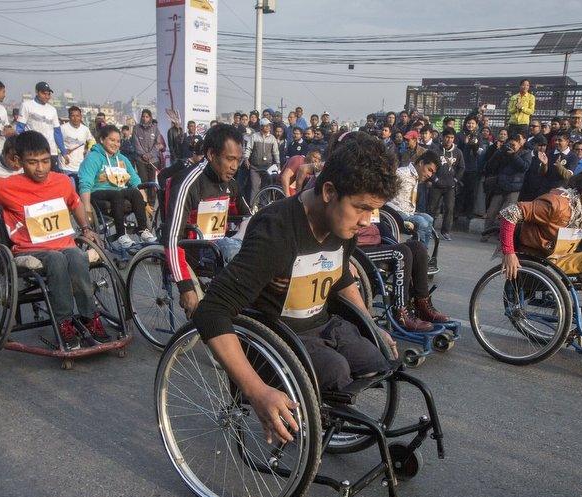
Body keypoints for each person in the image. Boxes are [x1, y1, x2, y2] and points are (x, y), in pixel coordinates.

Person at [190, 135, 398, 443]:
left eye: (373, 211)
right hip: (280, 339)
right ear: (329, 191)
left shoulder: (343, 224)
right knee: (336, 371)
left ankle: (322, 411)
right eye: (362, 208)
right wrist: (256, 390)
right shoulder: (277, 232)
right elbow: (211, 311)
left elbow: (339, 276)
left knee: (380, 359)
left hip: (324, 325)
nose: (367, 222)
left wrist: (371, 324)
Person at [0, 131, 107, 350]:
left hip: (64, 244)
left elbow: (75, 202)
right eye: (32, 163)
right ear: (19, 161)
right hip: (30, 250)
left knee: (77, 256)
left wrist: (86, 228)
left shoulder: (62, 181)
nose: (40, 168)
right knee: (56, 260)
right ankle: (64, 322)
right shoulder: (5, 185)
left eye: (45, 161)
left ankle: (89, 317)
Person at [498, 171, 582, 349]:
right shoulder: (557, 204)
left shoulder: (581, 211)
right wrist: (509, 253)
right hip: (536, 261)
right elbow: (510, 212)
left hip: (555, 258)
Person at [164, 124, 252, 315]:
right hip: (195, 250)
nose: (235, 167)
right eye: (230, 159)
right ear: (211, 154)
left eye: (238, 160)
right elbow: (172, 239)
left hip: (221, 245)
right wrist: (185, 287)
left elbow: (245, 215)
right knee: (233, 251)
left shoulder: (232, 183)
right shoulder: (188, 183)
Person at [356, 208, 449, 333]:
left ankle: (422, 305)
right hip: (357, 250)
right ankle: (400, 312)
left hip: (376, 246)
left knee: (417, 247)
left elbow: (379, 225)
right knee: (401, 253)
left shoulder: (369, 199)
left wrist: (397, 245)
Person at [78, 124, 156, 247]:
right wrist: (86, 209)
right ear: (102, 140)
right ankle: (121, 235)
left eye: (118, 141)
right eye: (112, 140)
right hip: (98, 194)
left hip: (118, 193)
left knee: (134, 192)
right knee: (117, 194)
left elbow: (136, 181)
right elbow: (85, 184)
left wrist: (145, 204)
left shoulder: (122, 159)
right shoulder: (93, 158)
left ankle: (142, 230)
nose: (116, 144)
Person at [481, 132, 532, 241]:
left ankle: (503, 237)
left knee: (507, 215)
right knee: (491, 212)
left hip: (514, 188)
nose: (511, 147)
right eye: (510, 145)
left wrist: (513, 155)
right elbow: (490, 166)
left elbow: (524, 167)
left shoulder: (525, 153)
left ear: (520, 144)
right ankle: (486, 234)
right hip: (500, 186)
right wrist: (498, 153)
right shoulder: (502, 152)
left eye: (514, 145)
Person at [388, 149, 440, 252]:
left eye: (432, 172)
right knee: (422, 222)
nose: (430, 175)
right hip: (394, 212)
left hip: (407, 213)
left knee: (429, 219)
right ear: (421, 163)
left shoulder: (416, 177)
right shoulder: (401, 173)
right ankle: (418, 253)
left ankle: (421, 250)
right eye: (429, 170)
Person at [18, 81, 65, 169]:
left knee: (51, 179)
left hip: (51, 151)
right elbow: (20, 128)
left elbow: (57, 132)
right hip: (33, 150)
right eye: (44, 94)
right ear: (37, 92)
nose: (46, 96)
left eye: (48, 94)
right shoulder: (27, 106)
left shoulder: (52, 110)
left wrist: (63, 151)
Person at [429, 128, 464, 240]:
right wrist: (434, 179)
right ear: (442, 137)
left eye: (452, 138)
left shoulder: (458, 152)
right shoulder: (435, 150)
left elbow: (461, 168)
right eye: (447, 137)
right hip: (436, 185)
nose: (449, 140)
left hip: (450, 186)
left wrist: (455, 180)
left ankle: (446, 231)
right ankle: (429, 230)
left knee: (449, 208)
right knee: (432, 208)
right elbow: (428, 165)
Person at [130, 108, 166, 207]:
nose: (145, 118)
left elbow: (159, 144)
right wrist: (143, 154)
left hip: (153, 160)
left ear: (150, 118)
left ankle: (152, 204)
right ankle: (143, 203)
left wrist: (150, 154)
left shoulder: (155, 128)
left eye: (147, 116)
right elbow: (136, 143)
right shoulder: (136, 128)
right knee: (143, 182)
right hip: (141, 160)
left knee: (152, 183)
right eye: (143, 116)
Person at [244, 117, 281, 200]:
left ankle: (263, 206)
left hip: (267, 167)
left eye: (269, 126)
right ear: (261, 127)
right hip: (255, 167)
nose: (268, 127)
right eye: (266, 126)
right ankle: (253, 207)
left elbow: (276, 152)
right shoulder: (254, 136)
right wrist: (246, 158)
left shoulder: (272, 138)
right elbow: (248, 148)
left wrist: (278, 163)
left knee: (265, 187)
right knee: (255, 187)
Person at [456, 116, 485, 219]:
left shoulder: (478, 136)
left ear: (476, 125)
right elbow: (456, 150)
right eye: (468, 123)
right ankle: (457, 212)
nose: (470, 125)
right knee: (459, 191)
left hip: (472, 167)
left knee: (471, 191)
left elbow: (481, 152)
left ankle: (469, 212)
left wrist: (475, 145)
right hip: (461, 167)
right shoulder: (459, 135)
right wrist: (465, 143)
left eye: (472, 123)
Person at [58, 106, 94, 177]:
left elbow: (92, 141)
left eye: (77, 116)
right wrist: (62, 151)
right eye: (73, 116)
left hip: (80, 166)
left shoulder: (85, 129)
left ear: (80, 117)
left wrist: (88, 151)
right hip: (65, 166)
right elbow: (55, 143)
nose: (75, 118)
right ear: (69, 117)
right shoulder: (62, 128)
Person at [519, 134, 550, 202]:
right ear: (534, 145)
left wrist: (545, 164)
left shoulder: (547, 157)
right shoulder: (527, 155)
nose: (542, 148)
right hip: (524, 187)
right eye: (540, 145)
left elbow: (544, 172)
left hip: (537, 189)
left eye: (544, 145)